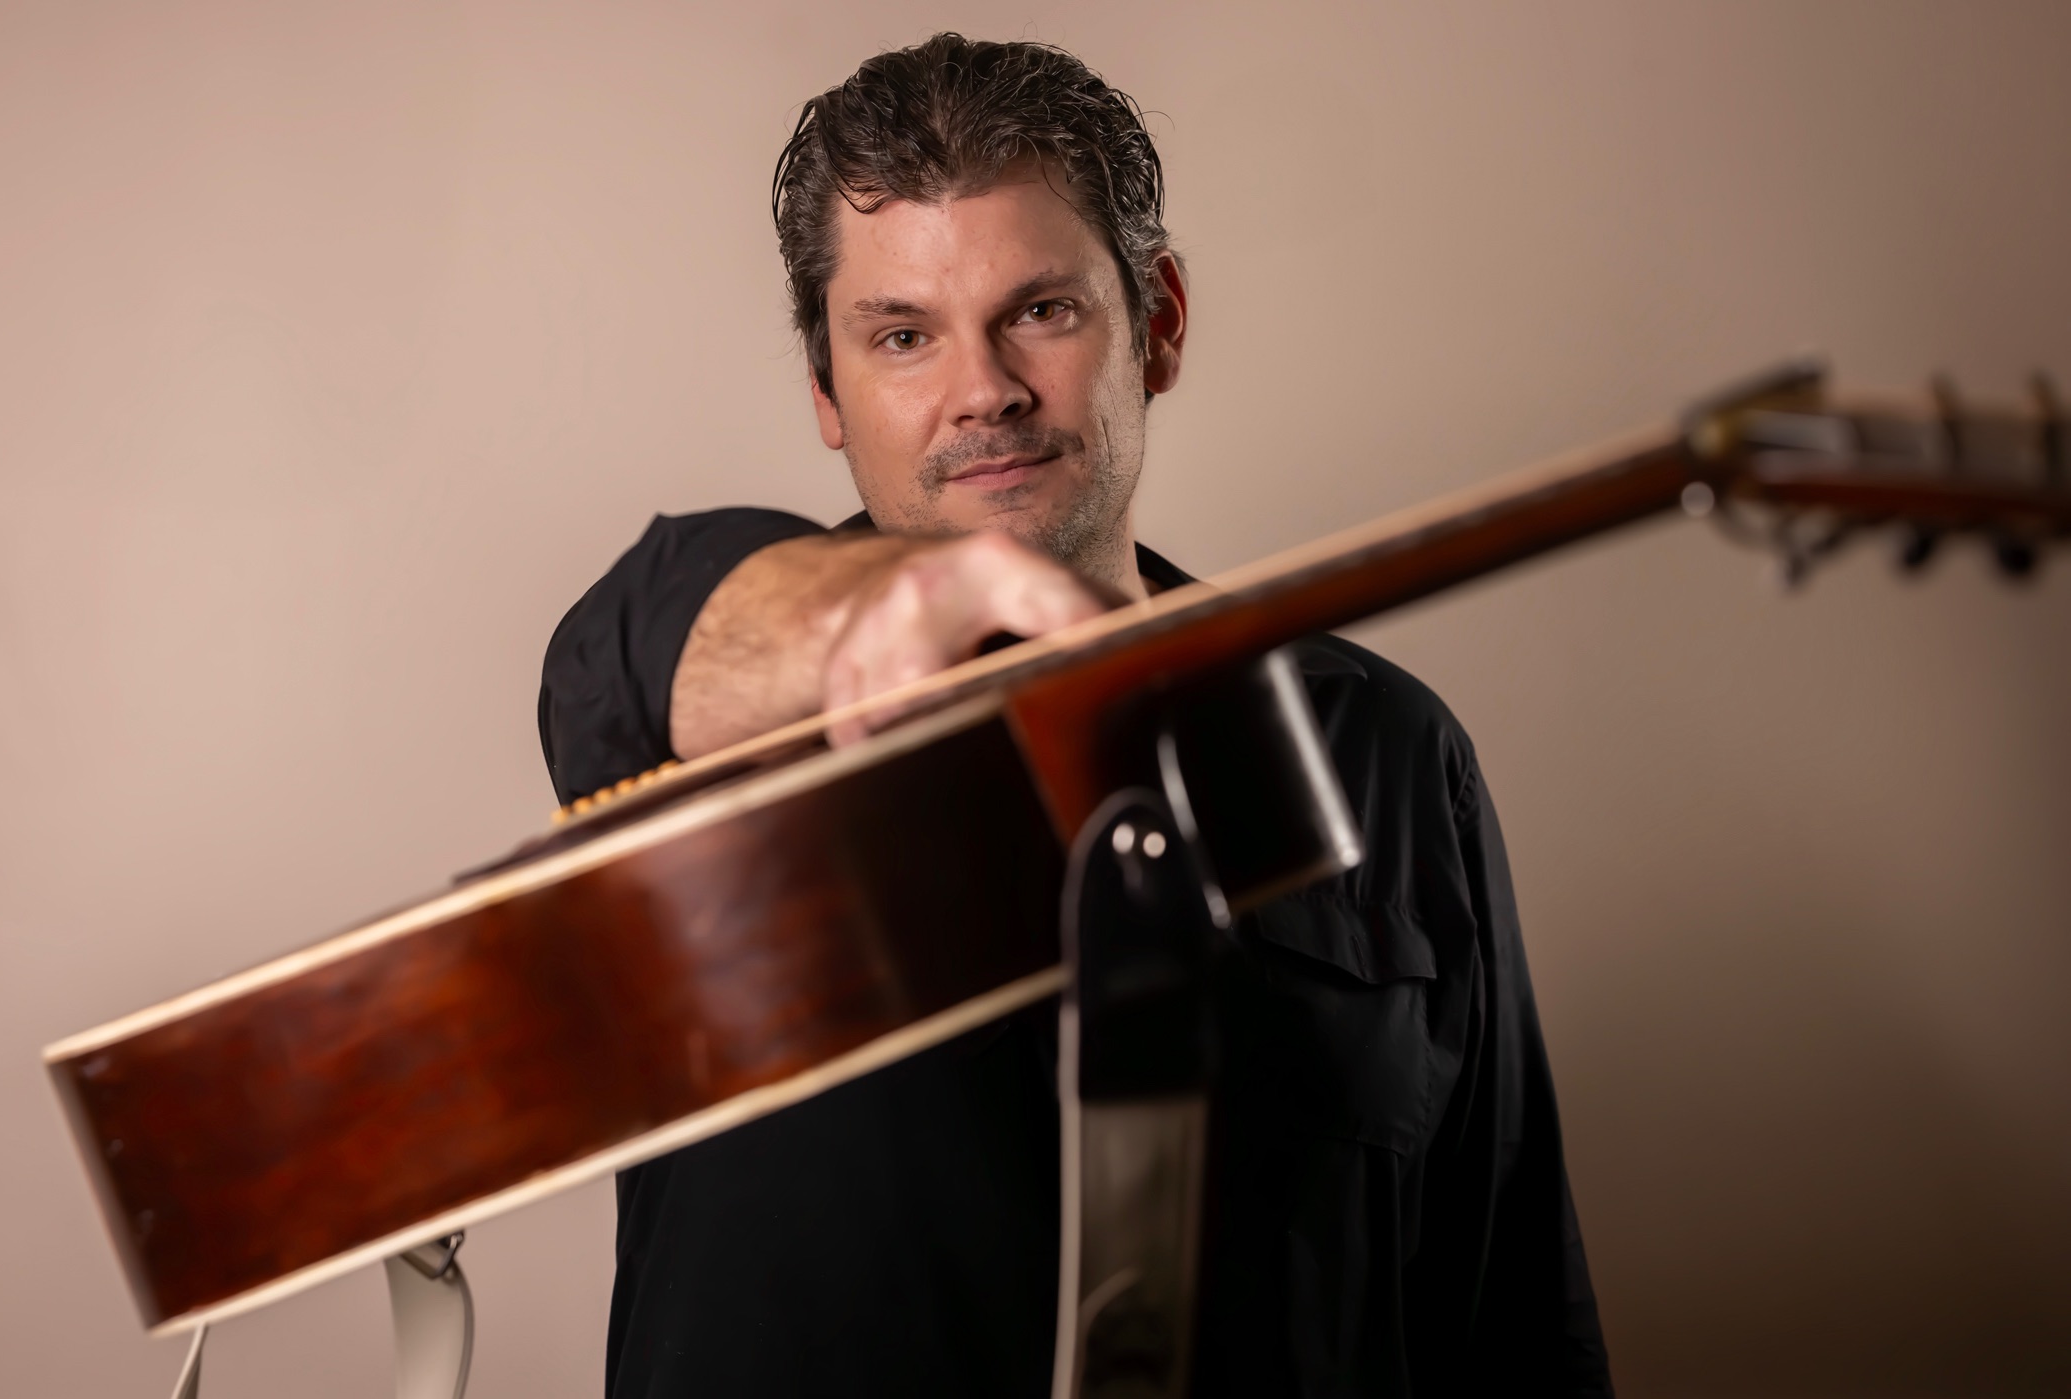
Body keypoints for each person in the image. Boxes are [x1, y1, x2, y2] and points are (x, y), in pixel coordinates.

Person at [539, 34, 1612, 1399]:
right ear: (826, 390)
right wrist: (833, 623)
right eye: (904, 336)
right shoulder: (693, 715)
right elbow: (616, 645)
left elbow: (1512, 1318)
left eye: (1041, 311)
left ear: (1157, 324)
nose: (981, 390)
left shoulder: (1386, 754)